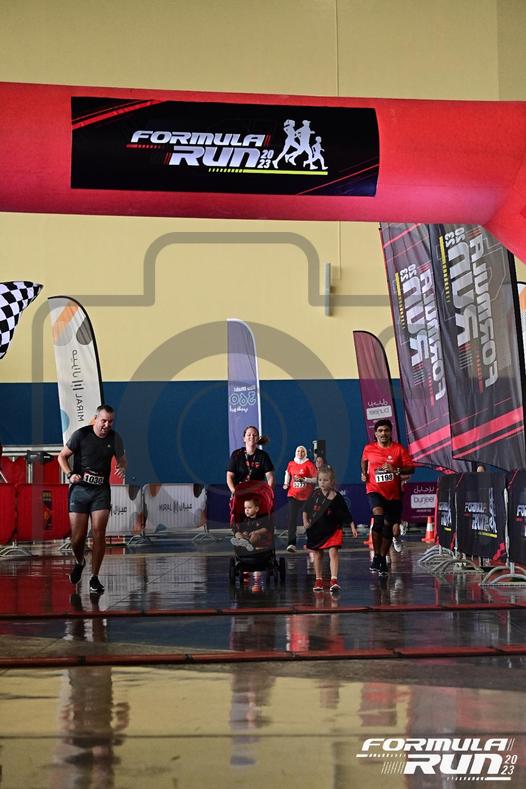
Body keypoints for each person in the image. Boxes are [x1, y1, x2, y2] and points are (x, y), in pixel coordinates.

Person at [58, 404, 127, 595]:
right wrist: (70, 474)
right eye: (103, 421)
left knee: (98, 533)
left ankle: (95, 578)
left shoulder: (115, 438)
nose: (107, 425)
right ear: (96, 418)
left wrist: (122, 466)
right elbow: (62, 457)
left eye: (110, 422)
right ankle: (80, 562)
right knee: (77, 538)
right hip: (79, 491)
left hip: (100, 492)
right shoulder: (81, 435)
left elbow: (123, 459)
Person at [361, 419, 414, 576]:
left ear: (391, 432)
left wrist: (395, 469)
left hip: (393, 494)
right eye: (380, 431)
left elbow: (411, 468)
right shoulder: (369, 448)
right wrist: (364, 473)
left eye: (386, 430)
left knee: (388, 527)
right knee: (378, 519)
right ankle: (377, 556)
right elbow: (364, 461)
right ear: (375, 433)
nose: (383, 433)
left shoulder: (398, 449)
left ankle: (382, 558)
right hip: (374, 489)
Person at [303, 465, 357, 593]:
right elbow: (305, 509)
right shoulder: (315, 494)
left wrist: (352, 526)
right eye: (320, 480)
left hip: (333, 529)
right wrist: (305, 522)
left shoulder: (337, 496)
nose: (322, 483)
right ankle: (318, 580)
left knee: (333, 552)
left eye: (325, 480)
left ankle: (334, 580)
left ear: (332, 481)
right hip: (316, 530)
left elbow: (345, 513)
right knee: (318, 554)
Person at [283, 445, 317, 552]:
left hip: (307, 497)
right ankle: (291, 544)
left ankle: (311, 541)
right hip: (293, 495)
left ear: (305, 453)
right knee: (292, 519)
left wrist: (305, 480)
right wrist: (286, 483)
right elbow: (287, 473)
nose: (300, 453)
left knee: (308, 519)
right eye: (298, 451)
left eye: (302, 451)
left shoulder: (309, 464)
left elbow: (316, 479)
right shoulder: (291, 463)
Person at [226, 426, 274, 494]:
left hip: (257, 493)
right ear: (244, 439)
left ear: (258, 438)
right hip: (240, 492)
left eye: (254, 435)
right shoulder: (236, 454)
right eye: (249, 435)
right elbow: (229, 476)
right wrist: (234, 492)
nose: (252, 437)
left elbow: (270, 477)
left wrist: (267, 493)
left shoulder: (263, 456)